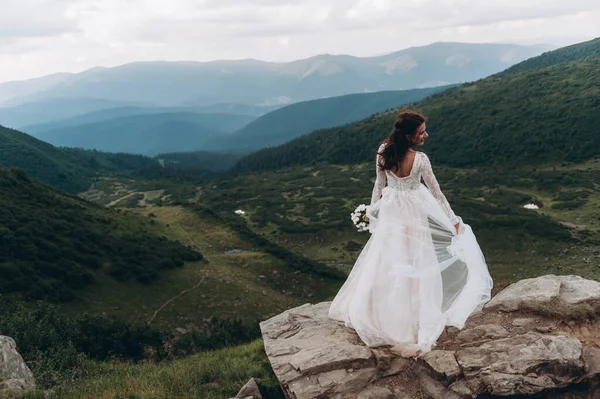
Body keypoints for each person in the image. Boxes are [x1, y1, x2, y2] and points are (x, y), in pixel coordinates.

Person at [328, 110, 493, 357]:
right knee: (416, 262)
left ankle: (387, 316)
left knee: (389, 262)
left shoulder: (383, 151)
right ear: (409, 135)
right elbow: (437, 193)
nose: (425, 134)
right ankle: (412, 318)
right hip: (413, 212)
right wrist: (452, 220)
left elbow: (379, 184)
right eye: (421, 131)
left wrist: (374, 211)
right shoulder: (421, 160)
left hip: (392, 211)